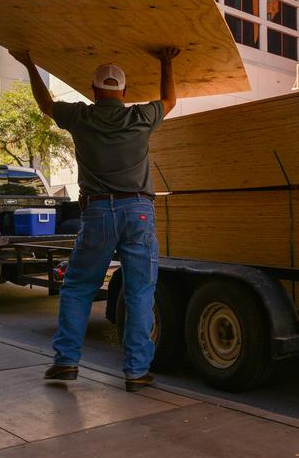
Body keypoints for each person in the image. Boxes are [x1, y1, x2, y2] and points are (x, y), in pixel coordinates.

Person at [10, 47, 179, 392]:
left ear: (93, 90)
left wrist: (30, 63)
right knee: (140, 291)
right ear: (124, 92)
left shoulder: (80, 117)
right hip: (138, 211)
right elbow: (170, 100)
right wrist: (166, 61)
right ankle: (136, 372)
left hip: (98, 212)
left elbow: (46, 104)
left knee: (78, 287)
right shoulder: (141, 116)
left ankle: (66, 362)